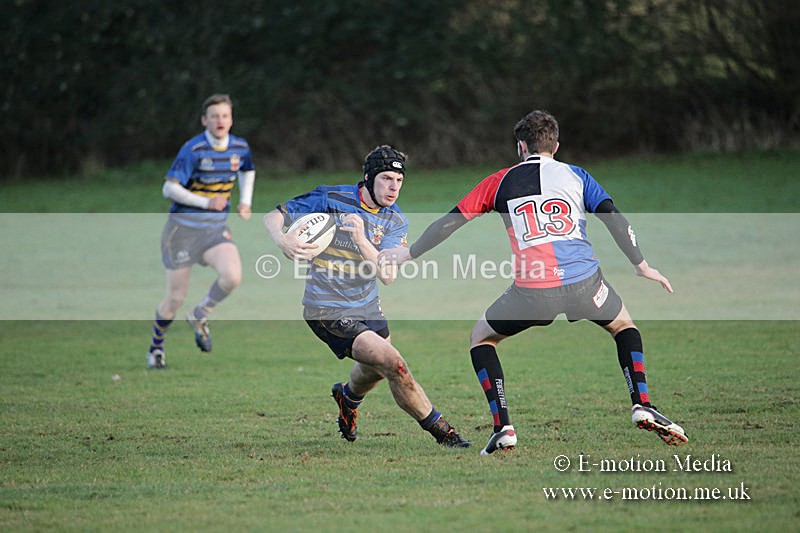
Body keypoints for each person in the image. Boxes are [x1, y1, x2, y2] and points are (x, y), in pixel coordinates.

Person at [379, 110, 688, 454]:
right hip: (584, 283)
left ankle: (503, 428)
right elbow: (614, 217)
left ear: (521, 146)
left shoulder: (499, 181)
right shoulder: (577, 175)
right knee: (622, 325)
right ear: (556, 145)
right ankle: (642, 402)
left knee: (481, 338)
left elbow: (450, 223)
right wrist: (641, 264)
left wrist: (409, 255)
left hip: (532, 291)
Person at [262, 145, 470, 448]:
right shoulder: (331, 199)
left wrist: (360, 237)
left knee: (375, 369)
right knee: (394, 364)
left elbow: (387, 275)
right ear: (369, 178)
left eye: (399, 181)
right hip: (326, 309)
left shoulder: (395, 220)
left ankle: (347, 397)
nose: (393, 187)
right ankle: (445, 433)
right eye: (386, 178)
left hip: (368, 306)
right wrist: (283, 241)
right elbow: (273, 217)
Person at [147, 94, 255, 369]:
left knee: (232, 276)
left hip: (214, 232)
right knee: (175, 298)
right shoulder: (192, 150)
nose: (220, 121)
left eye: (225, 116)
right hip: (182, 232)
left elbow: (247, 170)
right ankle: (156, 349)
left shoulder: (240, 147)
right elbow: (168, 188)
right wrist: (207, 202)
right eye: (215, 116)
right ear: (204, 120)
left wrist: (245, 201)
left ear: (231, 120)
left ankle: (199, 313)